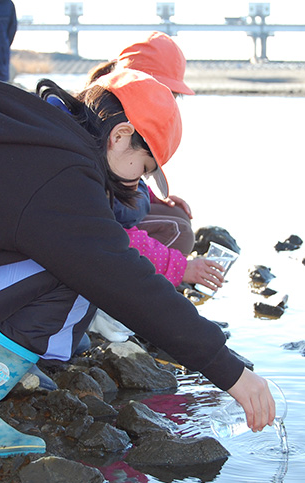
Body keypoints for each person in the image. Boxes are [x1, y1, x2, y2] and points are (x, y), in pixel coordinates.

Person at [0, 70, 275, 457]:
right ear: (119, 137)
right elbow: (125, 281)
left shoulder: (19, 130)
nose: (138, 181)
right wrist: (227, 368)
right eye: (143, 164)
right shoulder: (57, 177)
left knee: (73, 254)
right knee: (76, 269)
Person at [86, 32, 225, 292]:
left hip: (95, 228)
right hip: (88, 247)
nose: (167, 102)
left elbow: (121, 172)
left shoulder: (96, 114)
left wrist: (157, 197)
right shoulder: (92, 152)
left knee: (176, 215)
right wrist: (181, 267)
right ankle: (123, 301)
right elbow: (105, 232)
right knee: (179, 231)